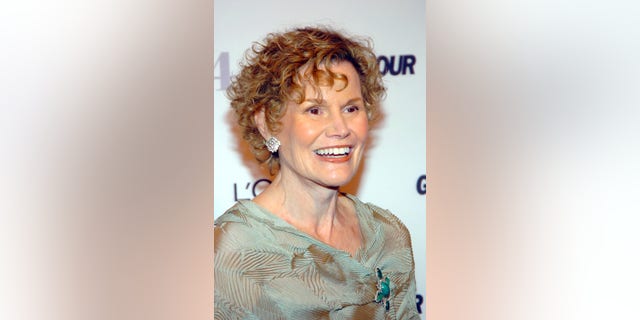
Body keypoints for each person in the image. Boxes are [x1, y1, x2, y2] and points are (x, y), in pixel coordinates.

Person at [214, 26, 420, 319]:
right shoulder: (231, 254)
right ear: (267, 123)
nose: (341, 129)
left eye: (351, 108)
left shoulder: (389, 234)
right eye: (314, 110)